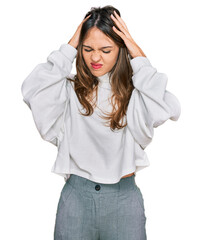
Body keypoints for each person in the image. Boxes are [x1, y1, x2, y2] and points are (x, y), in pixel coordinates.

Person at [21, 5, 181, 240]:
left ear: (120, 49)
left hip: (123, 202)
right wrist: (68, 48)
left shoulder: (136, 94)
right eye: (87, 49)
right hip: (76, 200)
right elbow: (32, 89)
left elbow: (169, 107)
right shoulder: (67, 89)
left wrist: (137, 53)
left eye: (106, 49)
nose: (95, 57)